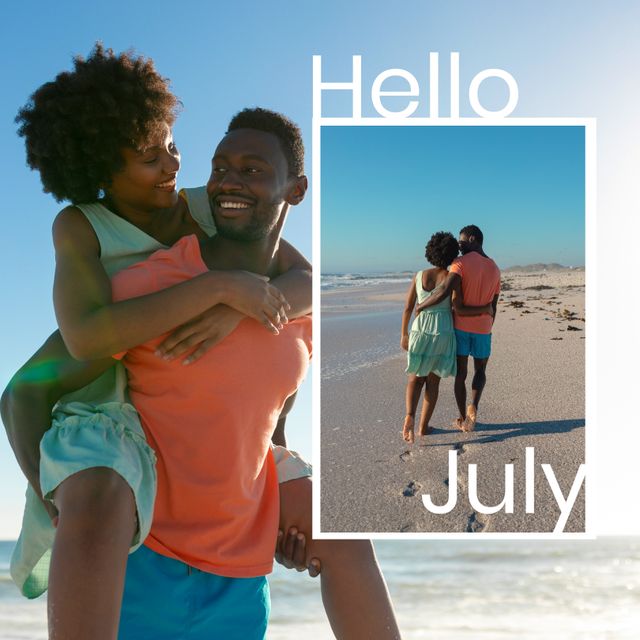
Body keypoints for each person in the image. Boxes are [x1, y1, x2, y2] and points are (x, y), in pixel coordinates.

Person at [2, 44, 399, 640]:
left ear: (295, 189)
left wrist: (245, 306)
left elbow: (303, 291)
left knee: (339, 526)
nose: (172, 166)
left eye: (172, 147)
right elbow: (80, 341)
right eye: (147, 156)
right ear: (98, 170)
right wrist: (216, 291)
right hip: (105, 381)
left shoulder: (204, 213)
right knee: (100, 493)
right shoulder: (91, 235)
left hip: (211, 437)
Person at [400, 231, 493, 443]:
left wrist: (404, 334)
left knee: (415, 377)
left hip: (420, 328)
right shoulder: (451, 275)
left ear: (429, 251)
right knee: (433, 381)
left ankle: (409, 416)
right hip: (442, 329)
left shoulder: (419, 276)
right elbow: (456, 305)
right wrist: (485, 309)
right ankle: (423, 427)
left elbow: (407, 307)